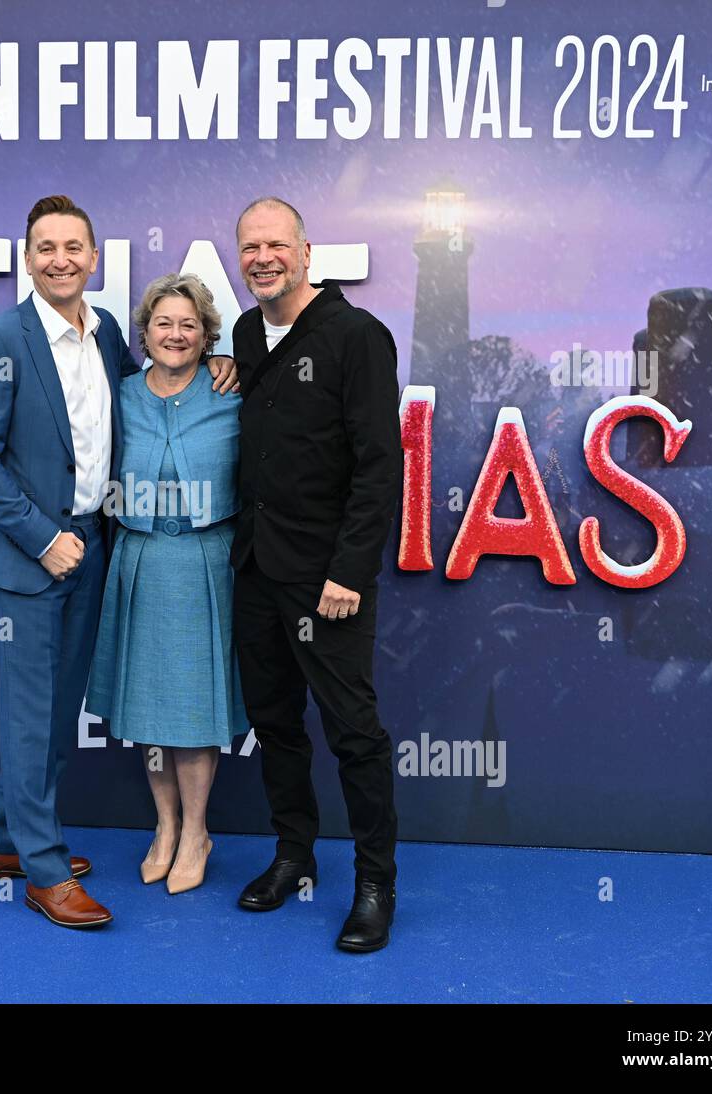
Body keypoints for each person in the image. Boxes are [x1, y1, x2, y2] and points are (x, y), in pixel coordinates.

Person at [0, 195, 237, 930]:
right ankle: (44, 870)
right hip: (28, 558)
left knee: (52, 715)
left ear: (93, 259)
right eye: (46, 247)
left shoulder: (108, 331)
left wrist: (221, 359)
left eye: (73, 247)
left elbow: (155, 387)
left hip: (93, 552)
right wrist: (42, 539)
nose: (60, 259)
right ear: (27, 257)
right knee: (28, 717)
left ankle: (0, 841)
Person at [229, 196, 403, 952]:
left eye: (276, 244)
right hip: (256, 570)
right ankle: (294, 857)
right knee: (275, 726)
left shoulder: (357, 336)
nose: (262, 257)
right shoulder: (243, 331)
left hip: (328, 579)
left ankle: (374, 886)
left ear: (306, 252)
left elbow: (379, 465)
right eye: (249, 247)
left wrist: (349, 573)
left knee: (353, 734)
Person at [86, 274, 248, 895]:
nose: (175, 335)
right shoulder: (119, 394)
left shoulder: (232, 388)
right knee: (147, 711)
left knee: (194, 712)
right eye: (163, 324)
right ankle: (165, 828)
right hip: (141, 560)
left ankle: (197, 833)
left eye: (189, 325)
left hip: (207, 562)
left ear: (207, 335)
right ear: (144, 334)